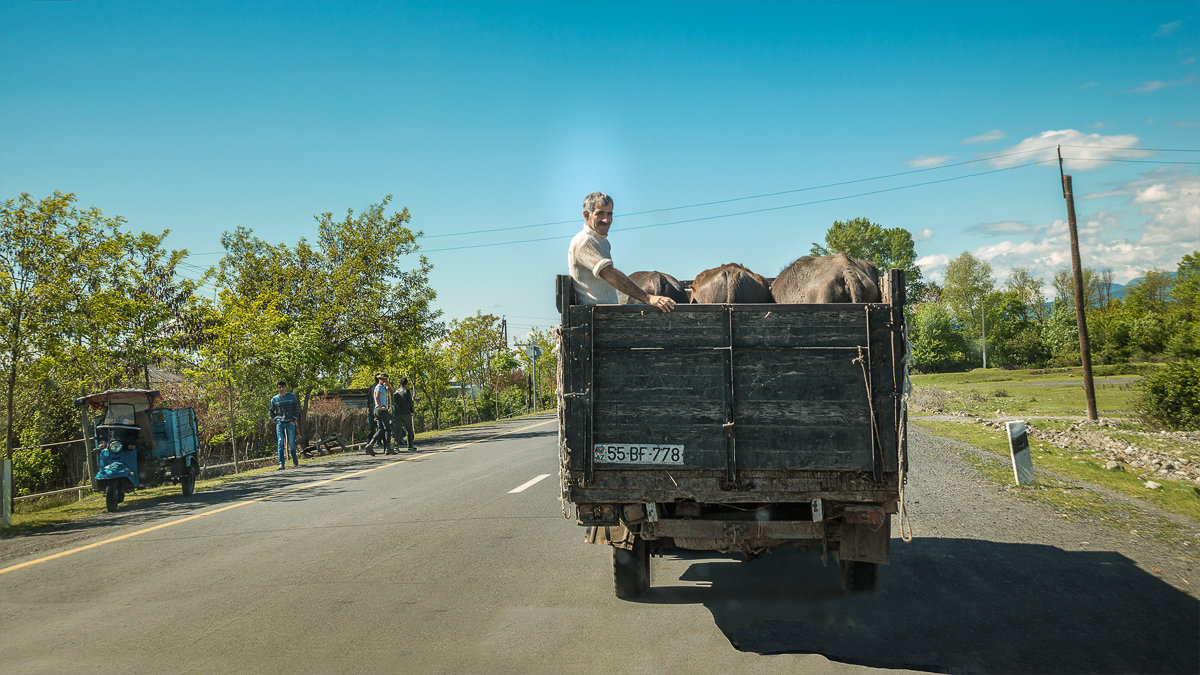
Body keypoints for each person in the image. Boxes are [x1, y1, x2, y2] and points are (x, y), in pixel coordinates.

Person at [567, 191, 676, 312]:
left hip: (604, 313)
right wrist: (647, 298)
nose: (606, 219)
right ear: (587, 215)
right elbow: (608, 273)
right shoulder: (584, 241)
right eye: (600, 214)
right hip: (593, 316)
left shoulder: (602, 242)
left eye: (609, 214)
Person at [269, 380, 300, 469]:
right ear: (278, 388)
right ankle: (281, 463)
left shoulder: (292, 396)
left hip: (290, 422)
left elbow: (296, 408)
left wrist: (293, 419)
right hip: (280, 423)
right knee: (280, 442)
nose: (281, 389)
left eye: (283, 387)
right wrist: (276, 420)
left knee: (291, 442)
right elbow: (271, 411)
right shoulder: (274, 399)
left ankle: (294, 460)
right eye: (279, 387)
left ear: (285, 387)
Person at [363, 372, 394, 456]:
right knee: (388, 428)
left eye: (386, 379)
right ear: (380, 379)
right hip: (380, 410)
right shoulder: (379, 386)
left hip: (377, 410)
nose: (386, 380)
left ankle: (370, 445)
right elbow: (377, 396)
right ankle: (388, 448)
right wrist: (380, 406)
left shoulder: (383, 387)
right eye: (384, 379)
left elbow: (392, 391)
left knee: (381, 429)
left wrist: (388, 385)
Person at [391, 377, 417, 452]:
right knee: (409, 430)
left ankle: (396, 446)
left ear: (399, 384)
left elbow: (394, 404)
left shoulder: (396, 392)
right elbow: (410, 402)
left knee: (397, 431)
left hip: (398, 413)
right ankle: (410, 446)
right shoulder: (407, 391)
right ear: (406, 384)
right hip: (406, 413)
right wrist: (412, 411)